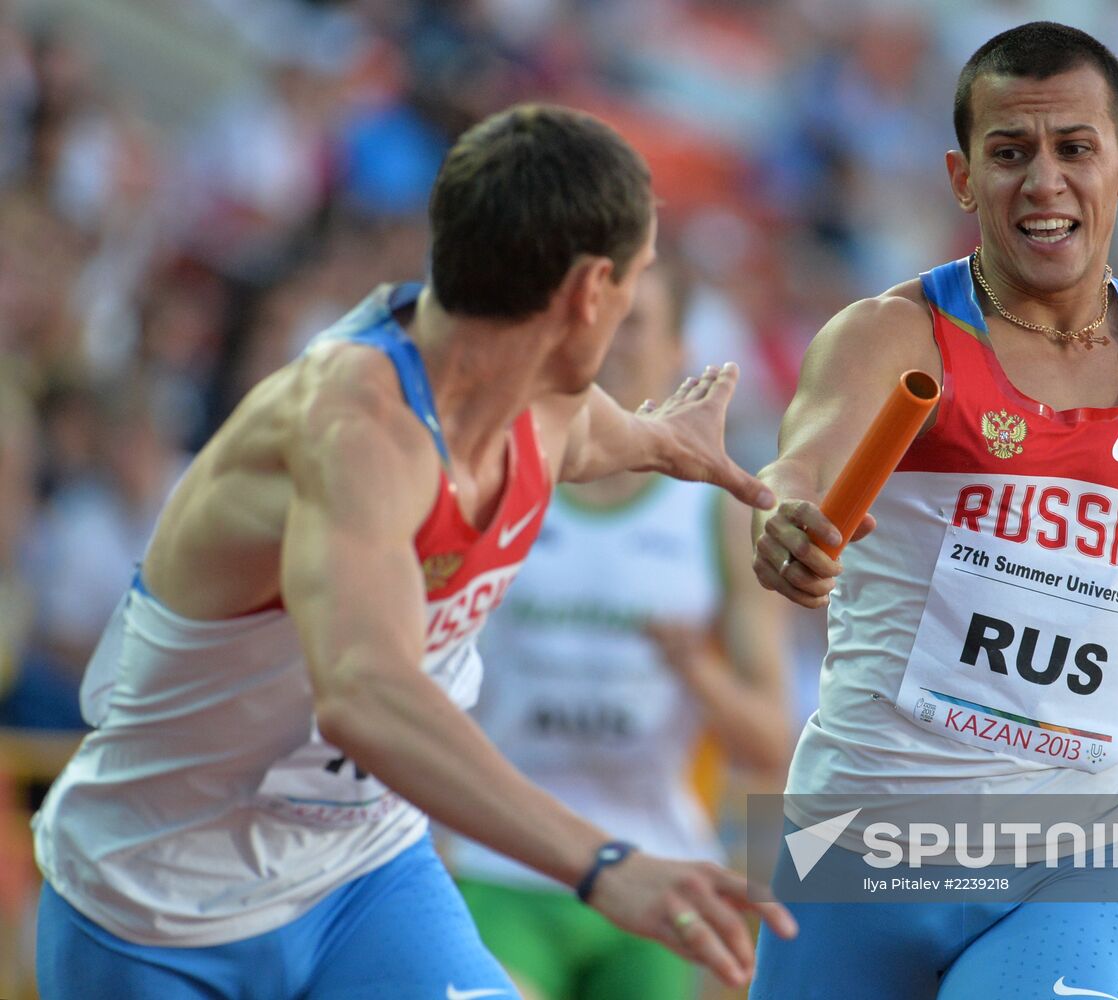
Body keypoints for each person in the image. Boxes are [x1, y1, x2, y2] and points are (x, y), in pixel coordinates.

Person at [31, 103, 796, 1000]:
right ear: (592, 292)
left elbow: (599, 434)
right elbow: (364, 693)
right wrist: (604, 863)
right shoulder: (349, 423)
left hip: (362, 883)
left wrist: (671, 441)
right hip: (155, 908)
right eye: (637, 281)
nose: (631, 307)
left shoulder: (547, 406)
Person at [747, 22, 1118, 1000]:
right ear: (959, 176)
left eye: (1074, 149)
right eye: (1009, 152)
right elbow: (801, 464)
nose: (1044, 182)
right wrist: (788, 521)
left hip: (1066, 860)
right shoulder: (893, 334)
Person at [443, 261, 791, 1000]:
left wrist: (695, 669)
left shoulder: (717, 516)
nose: (607, 342)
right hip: (505, 859)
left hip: (655, 871)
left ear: (674, 351)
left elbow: (769, 743)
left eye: (633, 324)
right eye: (594, 322)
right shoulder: (494, 478)